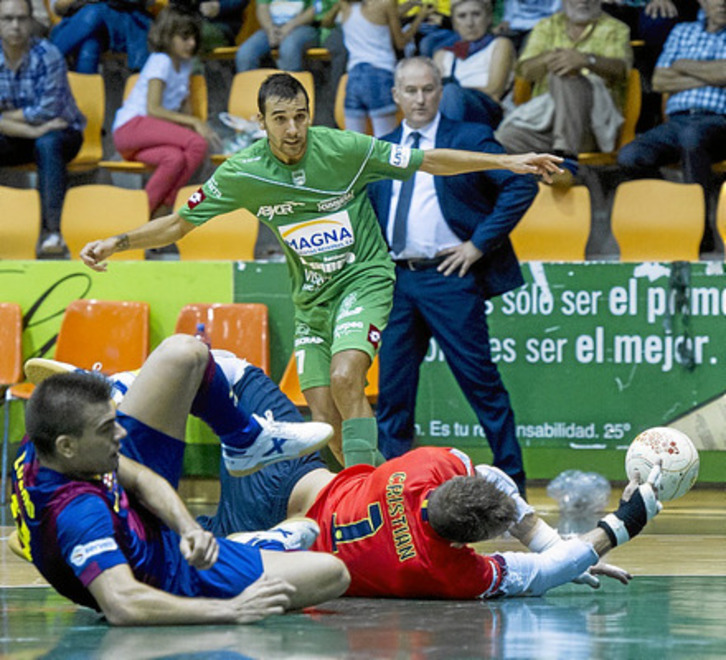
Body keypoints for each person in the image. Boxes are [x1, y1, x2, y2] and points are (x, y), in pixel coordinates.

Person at [78, 72, 563, 467]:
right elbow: (178, 224)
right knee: (324, 416)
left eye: (300, 116)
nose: (293, 129)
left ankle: (372, 501)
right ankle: (376, 490)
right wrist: (116, 243)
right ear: (261, 122)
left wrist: (508, 161)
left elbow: (429, 160)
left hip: (364, 279)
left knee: (346, 375)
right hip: (312, 299)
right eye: (280, 119)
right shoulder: (242, 173)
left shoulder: (343, 149)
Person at [33, 350, 662, 600]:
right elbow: (542, 574)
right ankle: (118, 417)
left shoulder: (427, 466)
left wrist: (551, 536)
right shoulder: (443, 570)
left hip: (291, 474)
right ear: (470, 543)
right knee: (221, 549)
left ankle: (114, 389)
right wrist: (621, 524)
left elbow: (493, 478)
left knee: (229, 368)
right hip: (263, 530)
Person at [10, 335, 348, 625]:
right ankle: (251, 544)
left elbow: (140, 478)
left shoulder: (43, 447)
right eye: (106, 428)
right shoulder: (81, 514)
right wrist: (229, 610)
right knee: (331, 573)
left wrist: (189, 529)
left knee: (185, 352)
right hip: (167, 571)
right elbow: (122, 604)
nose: (121, 433)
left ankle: (243, 440)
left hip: (134, 516)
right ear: (67, 446)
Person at [366, 56, 530, 492]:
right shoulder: (382, 149)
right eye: (411, 90)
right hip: (396, 282)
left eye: (428, 89)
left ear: (440, 91)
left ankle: (512, 481)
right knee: (393, 393)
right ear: (396, 95)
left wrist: (478, 244)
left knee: (482, 385)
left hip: (449, 277)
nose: (420, 99)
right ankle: (393, 492)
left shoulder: (468, 138)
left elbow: (520, 182)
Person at [616, 0, 726, 252]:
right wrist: (712, 75)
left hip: (719, 121)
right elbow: (659, 80)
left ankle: (699, 230)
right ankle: (673, 214)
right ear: (702, 2)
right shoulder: (682, 31)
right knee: (630, 156)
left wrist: (683, 65)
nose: (721, 3)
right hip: (677, 122)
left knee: (691, 137)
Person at [111, 8, 220, 220]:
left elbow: (184, 105)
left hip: (147, 138)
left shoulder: (186, 65)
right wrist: (194, 123)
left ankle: (153, 214)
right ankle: (152, 214)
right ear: (168, 36)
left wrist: (191, 123)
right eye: (185, 38)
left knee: (175, 158)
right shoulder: (161, 60)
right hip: (131, 127)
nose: (191, 44)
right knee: (197, 144)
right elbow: (153, 109)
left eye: (194, 38)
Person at [495, 0, 632, 162]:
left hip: (593, 125)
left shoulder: (616, 29)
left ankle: (566, 155)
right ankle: (561, 156)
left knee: (565, 75)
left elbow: (621, 71)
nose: (583, 1)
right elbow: (524, 71)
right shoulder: (546, 26)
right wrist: (549, 58)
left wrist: (587, 61)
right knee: (506, 138)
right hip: (546, 123)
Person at [0, 0, 85, 257]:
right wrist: (32, 131)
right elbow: (36, 118)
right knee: (41, 138)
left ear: (31, 21)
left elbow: (46, 111)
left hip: (62, 132)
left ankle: (52, 232)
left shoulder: (48, 54)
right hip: (23, 134)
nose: (15, 25)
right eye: (7, 19)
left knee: (48, 143)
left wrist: (6, 119)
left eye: (21, 18)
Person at [327, 0, 433, 136]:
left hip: (353, 76)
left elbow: (327, 22)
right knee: (385, 141)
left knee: (353, 142)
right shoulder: (386, 3)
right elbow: (400, 43)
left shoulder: (345, 4)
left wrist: (410, 4)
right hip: (379, 74)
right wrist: (420, 17)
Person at [433, 0, 515, 127]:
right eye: (462, 16)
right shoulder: (443, 55)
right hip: (448, 111)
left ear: (488, 18)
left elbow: (494, 92)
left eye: (476, 14)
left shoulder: (499, 44)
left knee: (450, 91)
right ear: (454, 23)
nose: (470, 23)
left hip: (485, 111)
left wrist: (453, 93)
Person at [49, 0, 152, 74]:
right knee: (90, 44)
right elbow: (58, 7)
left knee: (93, 13)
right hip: (81, 23)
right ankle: (85, 97)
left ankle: (46, 61)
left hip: (125, 20)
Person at [234, 0, 318, 72]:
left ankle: (290, 84)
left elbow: (314, 9)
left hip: (303, 27)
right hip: (271, 28)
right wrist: (270, 29)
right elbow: (262, 8)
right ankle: (249, 85)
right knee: (245, 53)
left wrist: (290, 26)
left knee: (289, 48)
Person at [492, 0, 562, 52]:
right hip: (515, 25)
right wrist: (506, 20)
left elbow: (557, 12)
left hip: (540, 25)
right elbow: (510, 7)